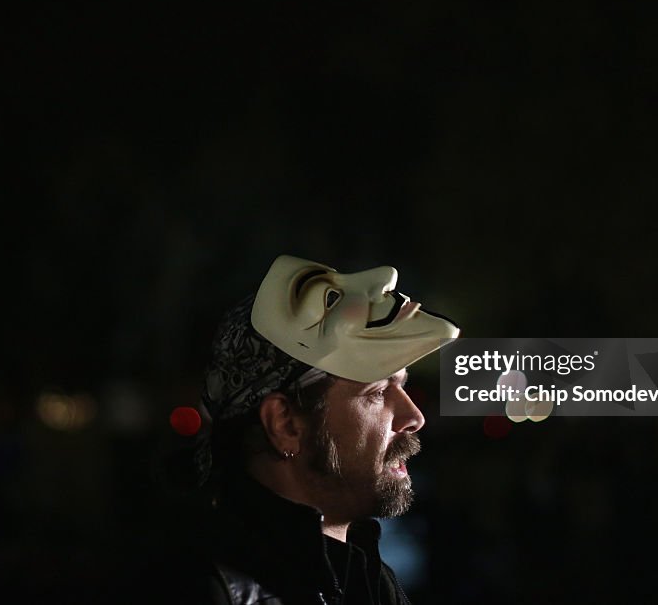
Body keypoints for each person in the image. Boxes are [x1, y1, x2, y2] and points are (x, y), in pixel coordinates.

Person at [188, 254, 460, 605]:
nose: (414, 416)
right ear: (285, 423)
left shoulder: (368, 579)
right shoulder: (205, 589)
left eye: (402, 386)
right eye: (376, 392)